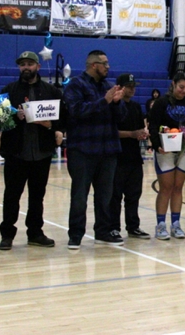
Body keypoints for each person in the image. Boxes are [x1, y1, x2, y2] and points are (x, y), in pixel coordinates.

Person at [0, 51, 64, 250]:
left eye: (29, 64)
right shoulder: (9, 90)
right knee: (12, 196)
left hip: (41, 153)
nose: (26, 67)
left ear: (38, 66)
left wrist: (53, 127)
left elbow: (61, 118)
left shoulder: (51, 91)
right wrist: (13, 117)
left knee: (37, 196)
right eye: (22, 64)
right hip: (16, 152)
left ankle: (35, 232)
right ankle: (7, 234)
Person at [64, 50, 126, 249]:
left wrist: (117, 103)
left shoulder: (108, 87)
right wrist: (105, 101)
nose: (108, 67)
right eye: (104, 64)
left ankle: (103, 231)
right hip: (82, 150)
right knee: (80, 195)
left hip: (108, 150)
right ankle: (75, 234)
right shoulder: (75, 85)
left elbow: (121, 118)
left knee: (105, 196)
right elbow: (76, 111)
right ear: (93, 65)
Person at [148, 72, 185, 240]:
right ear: (173, 84)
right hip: (166, 151)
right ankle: (161, 224)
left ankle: (176, 224)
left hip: (184, 150)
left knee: (178, 187)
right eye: (181, 87)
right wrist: (157, 145)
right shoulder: (161, 103)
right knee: (166, 188)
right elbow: (153, 125)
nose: (183, 91)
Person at [107, 73, 151, 241]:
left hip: (134, 157)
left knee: (134, 194)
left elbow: (140, 129)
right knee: (115, 196)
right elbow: (112, 132)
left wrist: (143, 134)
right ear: (119, 88)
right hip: (117, 157)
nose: (132, 89)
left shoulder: (136, 107)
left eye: (134, 86)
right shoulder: (113, 107)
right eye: (129, 86)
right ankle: (113, 227)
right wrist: (133, 134)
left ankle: (133, 226)